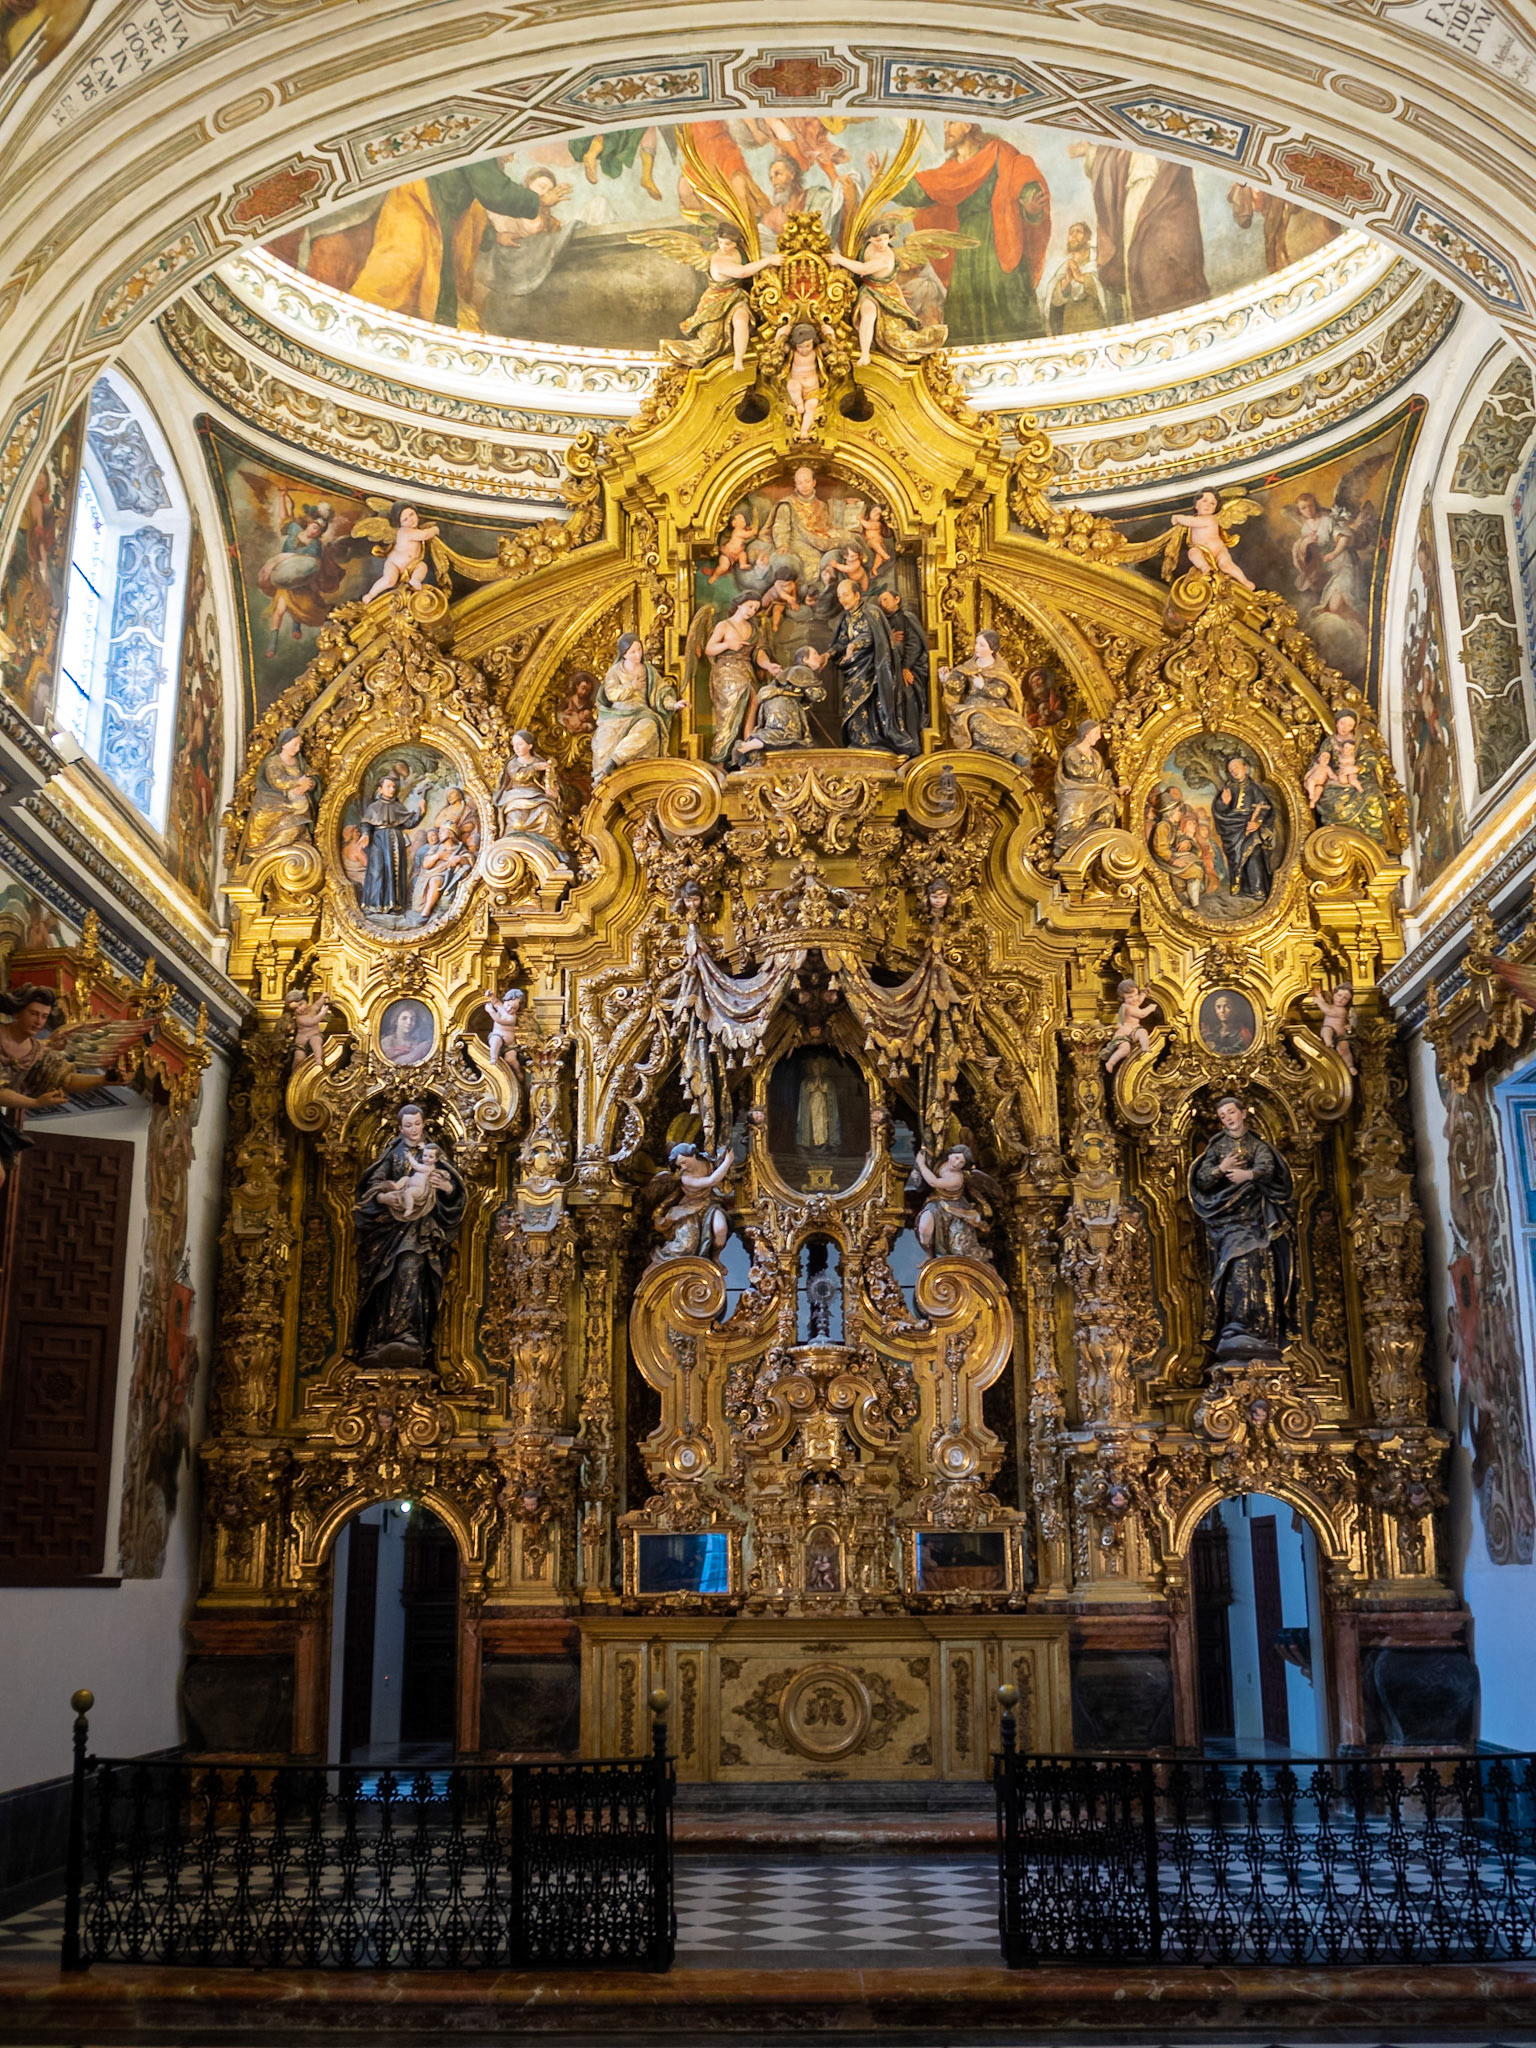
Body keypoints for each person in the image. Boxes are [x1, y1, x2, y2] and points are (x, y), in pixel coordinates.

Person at [891, 121, 1050, 345]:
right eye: (944, 123)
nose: (945, 128)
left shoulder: (997, 152)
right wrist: (887, 182)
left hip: (1000, 237)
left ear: (968, 126)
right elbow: (923, 191)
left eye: (951, 123)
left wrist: (1031, 206)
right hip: (966, 249)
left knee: (1006, 302)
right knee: (965, 309)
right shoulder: (952, 169)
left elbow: (1021, 176)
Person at [352, 1104, 467, 1365]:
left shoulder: (434, 1153)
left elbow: (454, 1189)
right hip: (391, 1229)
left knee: (411, 1266)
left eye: (417, 1124)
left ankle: (409, 1336)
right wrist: (383, 1196)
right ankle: (383, 1338)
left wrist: (447, 1188)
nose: (413, 1130)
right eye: (408, 1126)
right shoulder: (394, 1152)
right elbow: (372, 1185)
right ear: (400, 1127)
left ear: (423, 1123)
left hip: (422, 1230)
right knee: (387, 1277)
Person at [1188, 1097, 1297, 1359]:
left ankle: (1261, 1328)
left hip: (1256, 1219)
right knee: (1236, 1265)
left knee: (1259, 1265)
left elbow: (1268, 1169)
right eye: (1223, 1115)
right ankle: (1235, 1325)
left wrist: (1249, 1175)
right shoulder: (1218, 1147)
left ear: (1243, 1113)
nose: (1227, 1118)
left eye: (1231, 1112)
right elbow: (1202, 1180)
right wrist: (1221, 1169)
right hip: (1227, 1221)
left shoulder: (1258, 1145)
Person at [829, 579, 918, 755]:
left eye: (845, 595)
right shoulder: (846, 619)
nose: (842, 599)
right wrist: (828, 655)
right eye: (839, 596)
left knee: (873, 705)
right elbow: (840, 642)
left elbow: (870, 636)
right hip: (854, 670)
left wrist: (854, 646)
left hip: (874, 669)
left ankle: (874, 742)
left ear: (856, 594)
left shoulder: (872, 612)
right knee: (851, 702)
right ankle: (858, 742)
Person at [592, 634, 682, 783]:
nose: (638, 654)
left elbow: (660, 693)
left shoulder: (648, 671)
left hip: (641, 713)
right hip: (617, 715)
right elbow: (611, 693)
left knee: (649, 728)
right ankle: (601, 783)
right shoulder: (615, 671)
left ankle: (615, 760)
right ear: (624, 654)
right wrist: (631, 687)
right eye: (633, 652)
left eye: (639, 649)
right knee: (603, 742)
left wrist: (674, 704)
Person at [939, 629, 1033, 769]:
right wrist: (946, 680)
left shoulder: (1000, 669)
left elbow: (1001, 691)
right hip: (972, 709)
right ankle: (1010, 753)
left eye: (981, 645)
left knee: (1017, 730)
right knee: (979, 723)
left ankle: (1016, 756)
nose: (976, 647)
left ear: (992, 648)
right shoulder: (967, 667)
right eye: (976, 643)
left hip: (997, 710)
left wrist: (983, 686)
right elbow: (957, 688)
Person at [241, 729, 316, 861]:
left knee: (297, 827)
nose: (298, 749)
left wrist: (308, 785)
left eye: (299, 745)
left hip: (296, 806)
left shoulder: (299, 761)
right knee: (268, 822)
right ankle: (265, 851)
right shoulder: (273, 762)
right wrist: (298, 782)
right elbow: (277, 781)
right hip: (273, 802)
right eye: (295, 744)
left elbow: (312, 776)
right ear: (284, 744)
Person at [358, 771, 426, 915]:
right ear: (380, 789)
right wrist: (365, 834)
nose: (391, 789)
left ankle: (394, 905)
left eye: (393, 787)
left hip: (395, 840)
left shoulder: (398, 807)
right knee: (377, 870)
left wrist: (421, 811)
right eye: (388, 786)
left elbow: (409, 823)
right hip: (378, 840)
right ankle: (375, 904)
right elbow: (366, 823)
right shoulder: (373, 807)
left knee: (395, 870)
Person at [1212, 754, 1279, 901]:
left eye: (1237, 767)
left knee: (1253, 854)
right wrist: (1223, 803)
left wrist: (1258, 822)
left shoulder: (1254, 788)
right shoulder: (1228, 788)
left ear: (1245, 768)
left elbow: (1266, 807)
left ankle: (1257, 889)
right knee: (1235, 858)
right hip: (1232, 829)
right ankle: (1238, 888)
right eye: (1231, 769)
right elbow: (1218, 810)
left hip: (1250, 825)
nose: (1234, 771)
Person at [494, 730, 568, 858]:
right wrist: (534, 767)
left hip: (538, 796)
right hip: (516, 796)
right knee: (518, 823)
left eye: (520, 744)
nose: (516, 748)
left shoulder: (540, 761)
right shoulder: (513, 763)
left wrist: (553, 791)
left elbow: (551, 781)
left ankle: (555, 850)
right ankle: (513, 845)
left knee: (547, 811)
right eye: (514, 745)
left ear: (530, 746)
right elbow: (518, 776)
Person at [1054, 719, 1120, 857]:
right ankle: (1067, 842)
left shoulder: (1095, 755)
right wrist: (1097, 785)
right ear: (1087, 733)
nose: (1099, 736)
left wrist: (1117, 790)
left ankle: (1093, 837)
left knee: (1109, 801)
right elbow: (1079, 773)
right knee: (1097, 799)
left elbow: (1102, 778)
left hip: (1096, 791)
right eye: (1096, 733)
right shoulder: (1071, 753)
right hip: (1075, 789)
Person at [362, 506, 439, 600]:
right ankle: (371, 594)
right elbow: (425, 535)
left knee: (422, 566)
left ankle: (415, 580)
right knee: (389, 580)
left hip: (412, 565)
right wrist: (435, 530)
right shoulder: (405, 531)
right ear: (400, 524)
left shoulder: (415, 530)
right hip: (394, 564)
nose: (410, 519)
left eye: (412, 514)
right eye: (405, 519)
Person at [1045, 220, 1106, 335]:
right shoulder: (1064, 267)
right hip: (1070, 326)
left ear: (1088, 238)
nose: (1073, 236)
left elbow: (1106, 286)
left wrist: (1081, 278)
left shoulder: (1098, 259)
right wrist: (1065, 283)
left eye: (1078, 232)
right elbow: (1055, 302)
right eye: (1071, 233)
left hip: (1094, 323)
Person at [375, 1143, 454, 1222]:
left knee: (408, 1192)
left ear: (436, 1160)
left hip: (418, 1189)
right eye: (425, 1156)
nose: (426, 1159)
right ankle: (396, 1186)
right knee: (405, 1178)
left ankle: (409, 1208)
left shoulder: (429, 1167)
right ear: (401, 1130)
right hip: (410, 1182)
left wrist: (410, 1157)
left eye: (431, 1157)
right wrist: (381, 1198)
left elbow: (416, 1166)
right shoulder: (394, 1151)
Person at [1105, 981, 1157, 1073]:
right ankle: (1111, 1062)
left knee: (1143, 1032)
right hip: (1123, 1034)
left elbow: (1139, 1000)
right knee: (1125, 1049)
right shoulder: (1127, 1007)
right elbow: (1141, 1014)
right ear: (1122, 997)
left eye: (1135, 995)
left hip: (1133, 1031)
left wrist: (1144, 992)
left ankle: (1145, 1047)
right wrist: (1150, 1008)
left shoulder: (1133, 1002)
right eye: (1129, 997)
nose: (1133, 999)